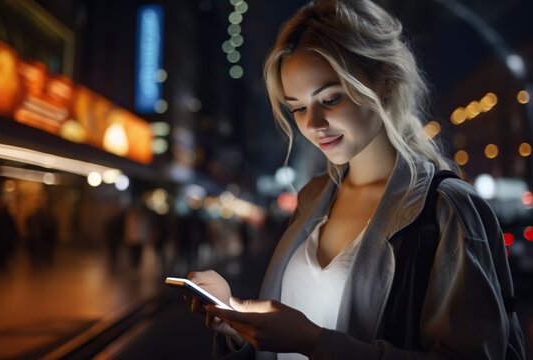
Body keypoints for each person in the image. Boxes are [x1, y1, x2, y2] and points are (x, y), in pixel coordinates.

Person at [185, 0, 525, 358]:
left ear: (386, 84)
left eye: (330, 98)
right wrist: (236, 320)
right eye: (298, 107)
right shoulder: (312, 198)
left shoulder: (447, 209)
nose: (313, 124)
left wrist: (314, 343)